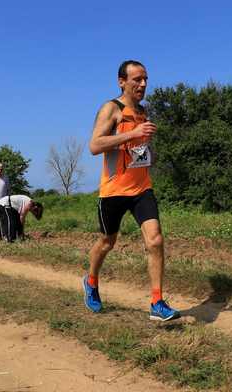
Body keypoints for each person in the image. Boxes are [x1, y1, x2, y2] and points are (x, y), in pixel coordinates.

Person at [84, 60, 179, 321]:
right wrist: (132, 133)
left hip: (141, 188)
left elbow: (139, 148)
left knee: (155, 240)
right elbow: (95, 145)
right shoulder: (111, 109)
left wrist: (148, 150)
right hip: (113, 191)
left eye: (145, 79)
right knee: (107, 243)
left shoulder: (143, 112)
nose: (143, 84)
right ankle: (91, 281)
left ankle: (157, 302)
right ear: (122, 81)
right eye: (137, 79)